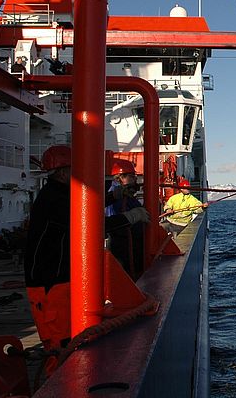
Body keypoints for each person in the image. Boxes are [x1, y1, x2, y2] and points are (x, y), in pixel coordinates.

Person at [24, 145, 150, 373]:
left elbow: (85, 206)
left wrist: (114, 196)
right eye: (75, 169)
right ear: (63, 171)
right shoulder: (54, 200)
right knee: (61, 345)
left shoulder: (59, 194)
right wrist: (129, 217)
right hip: (49, 283)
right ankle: (61, 385)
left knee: (71, 338)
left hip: (59, 277)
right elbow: (88, 224)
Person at [105, 158, 145, 278]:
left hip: (127, 241)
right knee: (128, 275)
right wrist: (133, 217)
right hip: (124, 243)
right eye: (132, 176)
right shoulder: (117, 195)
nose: (135, 179)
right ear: (121, 177)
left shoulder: (119, 193)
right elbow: (116, 218)